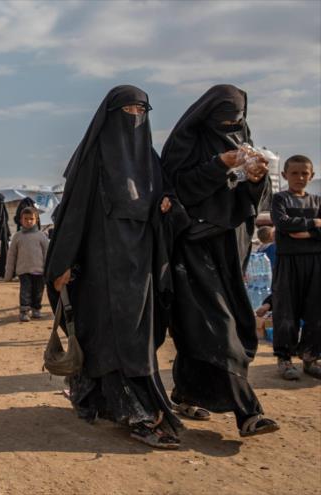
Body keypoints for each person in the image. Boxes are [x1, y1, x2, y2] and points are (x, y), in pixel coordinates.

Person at [47, 85, 185, 449]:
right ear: (111, 115)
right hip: (99, 267)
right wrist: (63, 263)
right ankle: (138, 413)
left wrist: (167, 204)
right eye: (128, 110)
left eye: (142, 110)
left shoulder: (149, 160)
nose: (136, 117)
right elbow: (74, 215)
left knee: (135, 336)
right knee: (113, 336)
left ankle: (97, 397)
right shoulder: (95, 159)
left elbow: (165, 194)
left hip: (140, 266)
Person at [162, 84, 279, 437]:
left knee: (202, 326)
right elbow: (176, 187)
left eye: (237, 119)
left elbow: (254, 199)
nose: (230, 125)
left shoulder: (242, 140)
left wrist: (256, 179)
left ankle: (184, 393)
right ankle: (249, 413)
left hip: (232, 248)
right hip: (194, 248)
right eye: (223, 119)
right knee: (220, 327)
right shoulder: (186, 143)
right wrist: (218, 166)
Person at [271, 154, 321, 380]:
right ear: (284, 175)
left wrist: (299, 232)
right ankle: (285, 359)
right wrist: (313, 225)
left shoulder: (318, 201)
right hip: (288, 262)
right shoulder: (279, 199)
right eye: (294, 173)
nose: (300, 177)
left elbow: (292, 229)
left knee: (316, 312)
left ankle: (311, 358)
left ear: (312, 176)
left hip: (315, 263)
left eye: (304, 173)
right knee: (286, 311)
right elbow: (282, 223)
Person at [5, 207, 48, 322]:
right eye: (26, 219)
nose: (28, 221)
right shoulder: (17, 236)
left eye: (31, 219)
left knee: (38, 291)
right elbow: (11, 255)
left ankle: (36, 309)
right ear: (21, 220)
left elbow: (47, 254)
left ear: (36, 220)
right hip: (23, 271)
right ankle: (24, 311)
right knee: (25, 291)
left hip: (39, 271)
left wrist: (48, 271)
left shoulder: (41, 236)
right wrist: (8, 274)